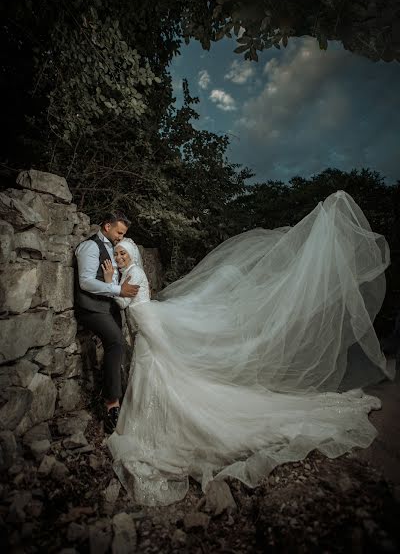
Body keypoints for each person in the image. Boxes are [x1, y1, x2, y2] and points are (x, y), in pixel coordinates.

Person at [107, 191, 395, 506]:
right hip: (147, 332)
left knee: (156, 377)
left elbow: (125, 302)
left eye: (123, 254)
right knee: (152, 377)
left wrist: (110, 282)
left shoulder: (132, 275)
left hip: (148, 333)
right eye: (118, 254)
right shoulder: (130, 273)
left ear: (131, 257)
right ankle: (142, 420)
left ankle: (151, 425)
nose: (120, 258)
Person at [74, 211, 141, 433]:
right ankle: (111, 405)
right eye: (119, 232)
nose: (120, 237)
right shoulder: (90, 247)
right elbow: (85, 282)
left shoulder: (113, 247)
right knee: (117, 344)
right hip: (91, 308)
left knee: (118, 347)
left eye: (123, 234)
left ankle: (115, 393)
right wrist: (117, 288)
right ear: (106, 227)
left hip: (109, 306)